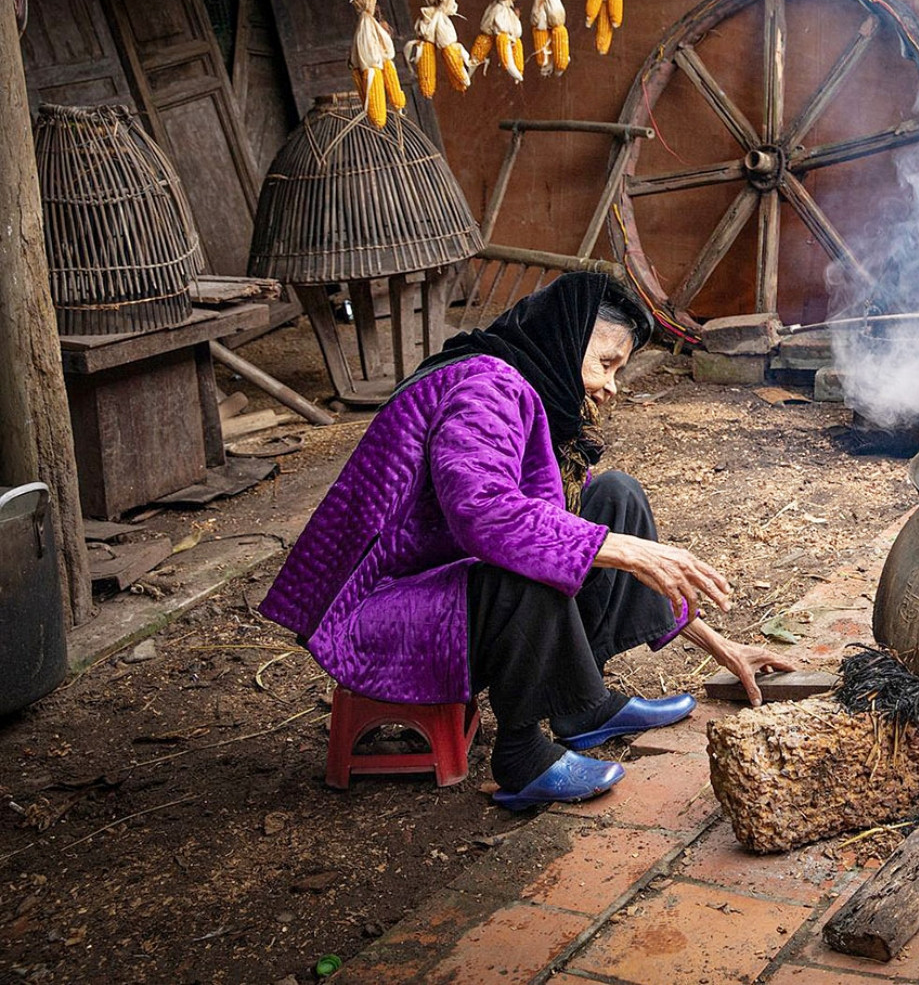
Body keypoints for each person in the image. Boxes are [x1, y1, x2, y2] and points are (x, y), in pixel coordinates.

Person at [261, 272, 795, 809]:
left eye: (619, 370)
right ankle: (520, 754)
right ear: (564, 338)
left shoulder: (518, 383)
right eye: (606, 364)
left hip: (435, 580)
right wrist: (624, 550)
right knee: (531, 557)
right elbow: (485, 512)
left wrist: (722, 650)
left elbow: (560, 520)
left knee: (613, 497)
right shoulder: (485, 386)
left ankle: (582, 708)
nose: (612, 386)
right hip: (381, 608)